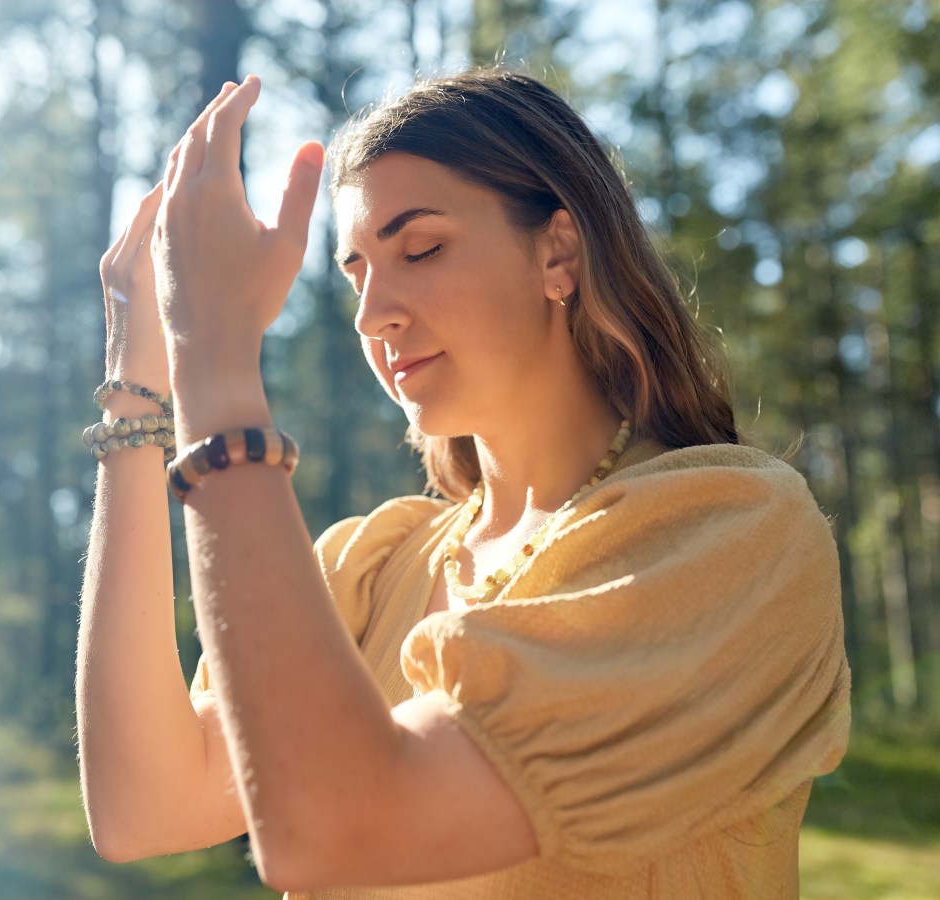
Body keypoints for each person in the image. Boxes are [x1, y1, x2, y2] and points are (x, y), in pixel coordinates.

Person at [76, 68, 851, 898]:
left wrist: (219, 359)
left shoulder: (729, 536)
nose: (373, 314)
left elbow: (337, 833)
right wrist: (138, 386)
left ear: (558, 252)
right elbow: (140, 808)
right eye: (355, 274)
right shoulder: (375, 567)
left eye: (420, 249)